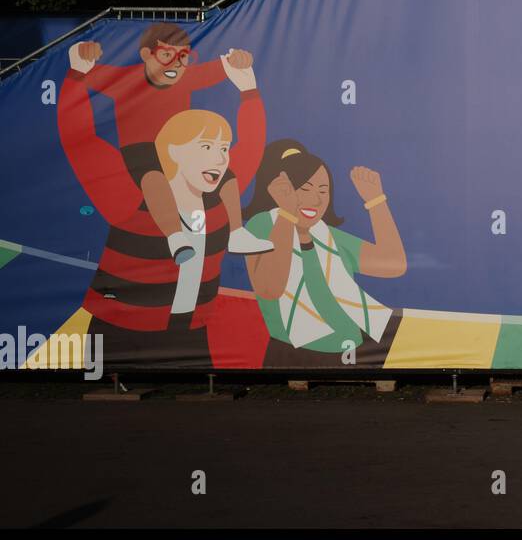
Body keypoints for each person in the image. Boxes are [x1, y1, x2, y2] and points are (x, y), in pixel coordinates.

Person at [56, 56, 266, 369]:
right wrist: (76, 77)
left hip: (190, 333)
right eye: (206, 147)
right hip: (119, 330)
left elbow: (251, 145)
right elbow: (81, 140)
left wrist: (248, 88)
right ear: (173, 151)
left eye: (224, 148)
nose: (221, 158)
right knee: (106, 416)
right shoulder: (129, 198)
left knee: (196, 413)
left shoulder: (220, 203)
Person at [67, 23, 272, 263]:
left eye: (183, 57)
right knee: (154, 178)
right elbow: (86, 71)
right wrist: (81, 55)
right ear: (146, 55)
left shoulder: (185, 77)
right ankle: (176, 238)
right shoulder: (125, 80)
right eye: (167, 55)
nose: (176, 64)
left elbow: (227, 65)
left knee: (224, 173)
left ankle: (236, 233)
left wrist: (238, 59)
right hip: (140, 151)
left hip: (180, 148)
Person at [243, 139, 407, 367]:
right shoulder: (263, 224)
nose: (316, 199)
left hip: (354, 350)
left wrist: (375, 201)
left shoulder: (327, 236)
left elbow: (394, 264)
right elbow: (270, 288)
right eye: (305, 189)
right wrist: (287, 214)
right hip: (294, 351)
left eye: (323, 190)